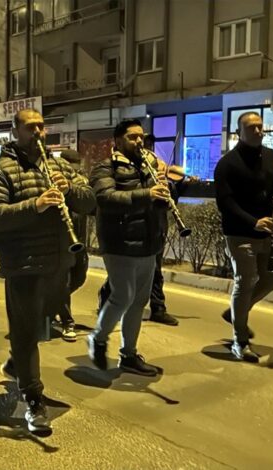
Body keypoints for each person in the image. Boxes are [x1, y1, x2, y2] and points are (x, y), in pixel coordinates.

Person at [0, 109, 95, 434]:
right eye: (31, 127)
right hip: (24, 266)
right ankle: (33, 399)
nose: (38, 132)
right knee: (28, 333)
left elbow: (89, 201)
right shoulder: (2, 171)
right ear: (15, 131)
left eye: (41, 126)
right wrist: (36, 205)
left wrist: (69, 190)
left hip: (59, 264)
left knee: (39, 329)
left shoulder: (59, 166)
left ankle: (17, 361)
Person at [87, 119, 169, 377]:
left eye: (141, 136)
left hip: (148, 241)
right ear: (118, 140)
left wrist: (166, 190)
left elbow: (159, 201)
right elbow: (105, 198)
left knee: (139, 301)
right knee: (123, 296)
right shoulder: (105, 167)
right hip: (119, 242)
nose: (138, 141)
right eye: (132, 137)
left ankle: (129, 355)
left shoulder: (148, 166)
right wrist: (147, 194)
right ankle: (99, 338)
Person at [214, 111, 273, 362]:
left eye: (260, 126)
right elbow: (225, 202)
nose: (258, 131)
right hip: (240, 234)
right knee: (244, 283)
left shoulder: (272, 156)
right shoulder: (227, 163)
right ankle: (240, 341)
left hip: (268, 231)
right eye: (251, 127)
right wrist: (253, 222)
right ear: (239, 132)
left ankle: (236, 312)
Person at [96, 133, 181, 326]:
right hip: (127, 231)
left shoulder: (152, 163)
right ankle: (106, 305)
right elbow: (109, 198)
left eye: (144, 141)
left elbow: (168, 200)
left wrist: (166, 186)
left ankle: (158, 308)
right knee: (122, 279)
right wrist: (147, 192)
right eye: (134, 138)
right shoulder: (113, 167)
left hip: (154, 226)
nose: (141, 144)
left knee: (155, 271)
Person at [54, 149, 90, 342]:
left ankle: (50, 304)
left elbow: (90, 205)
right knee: (64, 282)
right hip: (61, 241)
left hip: (80, 239)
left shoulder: (81, 182)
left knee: (79, 277)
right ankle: (67, 321)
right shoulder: (54, 180)